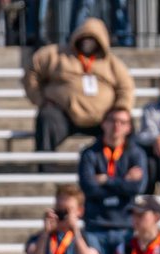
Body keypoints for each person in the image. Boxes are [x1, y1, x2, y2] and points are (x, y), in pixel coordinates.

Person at [24, 19, 135, 153]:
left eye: (93, 39)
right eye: (85, 38)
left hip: (103, 119)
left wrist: (120, 109)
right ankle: (46, 169)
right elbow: (32, 72)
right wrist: (40, 100)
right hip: (63, 114)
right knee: (47, 117)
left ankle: (126, 168)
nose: (88, 42)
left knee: (125, 124)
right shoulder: (57, 54)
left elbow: (126, 87)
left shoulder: (112, 63)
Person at [78, 106, 148, 254]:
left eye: (122, 122)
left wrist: (106, 180)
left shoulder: (136, 153)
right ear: (104, 123)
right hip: (96, 225)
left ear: (128, 127)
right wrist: (123, 181)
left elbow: (138, 187)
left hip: (124, 225)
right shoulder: (90, 153)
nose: (117, 126)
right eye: (113, 120)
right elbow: (89, 187)